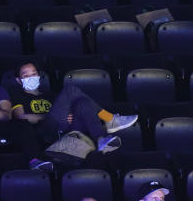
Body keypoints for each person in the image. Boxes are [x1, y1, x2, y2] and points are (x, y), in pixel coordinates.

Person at [9, 62, 137, 152]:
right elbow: (20, 116)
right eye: (26, 76)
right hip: (44, 132)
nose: (31, 77)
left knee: (83, 103)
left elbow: (67, 113)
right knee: (70, 90)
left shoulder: (51, 95)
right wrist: (49, 116)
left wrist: (65, 114)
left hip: (66, 131)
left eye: (33, 74)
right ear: (18, 80)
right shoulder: (18, 95)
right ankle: (109, 119)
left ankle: (100, 140)